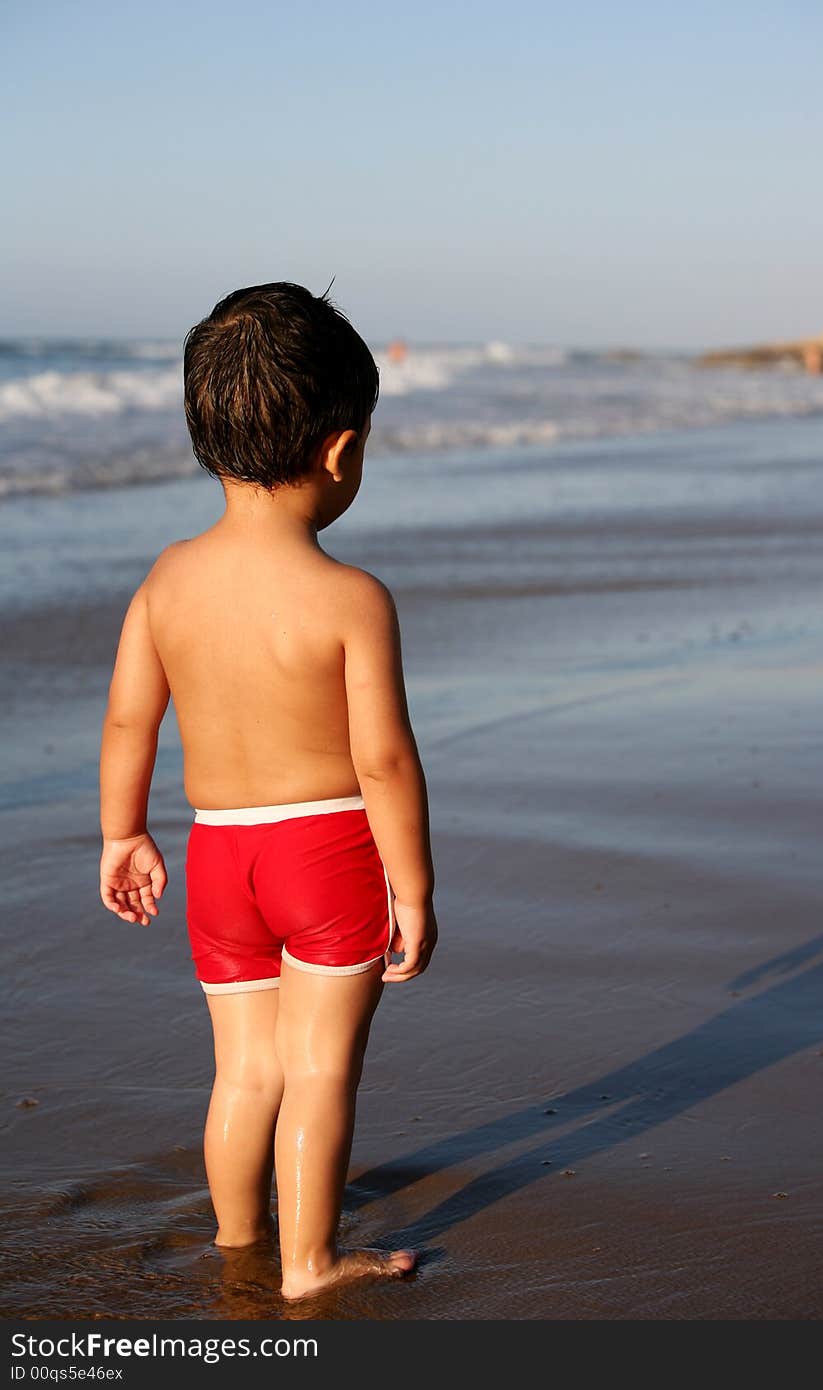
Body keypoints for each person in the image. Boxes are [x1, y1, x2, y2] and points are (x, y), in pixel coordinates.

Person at [98, 283, 438, 1301]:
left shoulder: (166, 580)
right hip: (324, 854)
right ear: (340, 451)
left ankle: (238, 1234)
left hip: (217, 856)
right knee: (319, 1070)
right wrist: (411, 889)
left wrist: (123, 834)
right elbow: (382, 760)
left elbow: (128, 721)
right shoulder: (349, 599)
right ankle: (309, 1261)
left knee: (243, 1069)